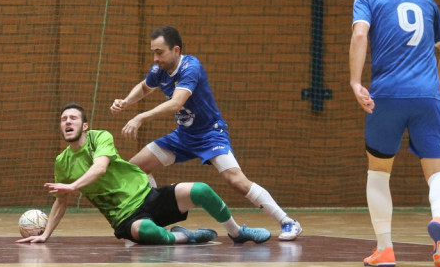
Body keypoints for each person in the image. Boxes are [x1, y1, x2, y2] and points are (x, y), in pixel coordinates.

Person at [109, 25, 302, 240]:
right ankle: (153, 218)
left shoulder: (191, 67)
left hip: (210, 134)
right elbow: (145, 87)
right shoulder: (159, 71)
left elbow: (175, 104)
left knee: (236, 181)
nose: (155, 58)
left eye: (159, 52)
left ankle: (287, 222)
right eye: (153, 52)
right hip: (183, 136)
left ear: (176, 50)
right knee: (135, 168)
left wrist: (140, 117)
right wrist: (126, 102)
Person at [16, 103, 271, 245]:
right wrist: (46, 234)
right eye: (63, 119)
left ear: (85, 125)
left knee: (201, 190)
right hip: (124, 218)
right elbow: (61, 200)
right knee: (147, 232)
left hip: (148, 196)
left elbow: (100, 167)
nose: (67, 122)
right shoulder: (63, 162)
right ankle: (184, 237)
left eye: (72, 118)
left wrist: (72, 187)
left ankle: (238, 233)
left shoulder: (100, 138)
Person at [349, 0, 440, 267]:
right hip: (426, 96)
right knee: (438, 172)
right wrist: (436, 89)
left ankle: (385, 249)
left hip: (387, 95)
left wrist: (355, 81)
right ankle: (439, 220)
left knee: (379, 172)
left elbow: (359, 35)